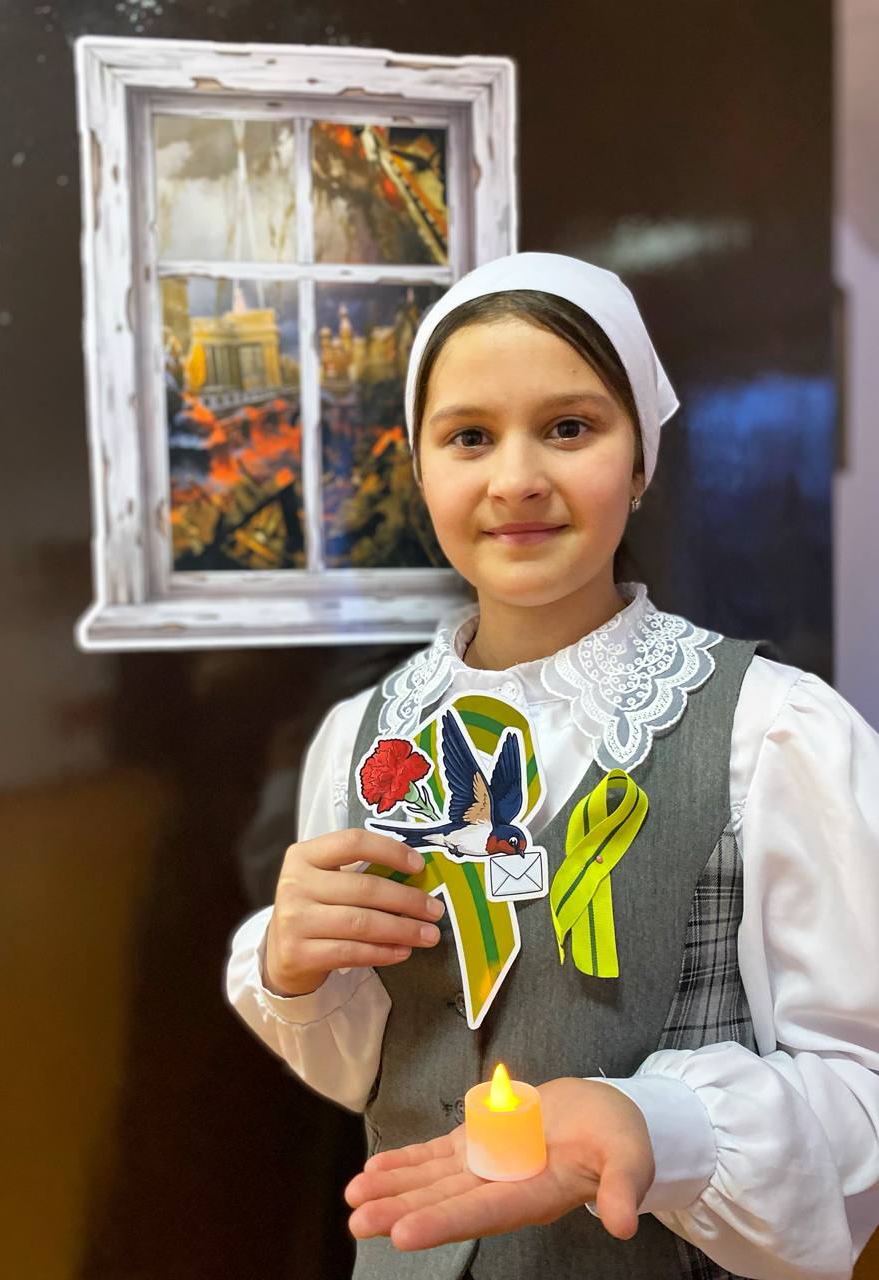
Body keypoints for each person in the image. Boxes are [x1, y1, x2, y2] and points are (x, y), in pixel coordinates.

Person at [225, 252, 879, 1280]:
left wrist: (655, 1125)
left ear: (641, 459)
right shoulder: (360, 738)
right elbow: (361, 1068)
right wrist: (294, 968)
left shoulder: (773, 730)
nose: (517, 477)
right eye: (469, 436)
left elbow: (861, 1082)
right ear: (420, 468)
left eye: (570, 427)